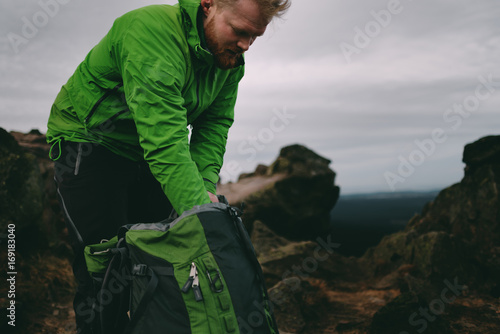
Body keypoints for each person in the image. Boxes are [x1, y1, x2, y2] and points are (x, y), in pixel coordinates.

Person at [46, 0, 290, 332]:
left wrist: (204, 187)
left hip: (147, 150)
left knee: (165, 255)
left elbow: (213, 124)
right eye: (240, 31)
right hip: (89, 144)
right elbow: (164, 140)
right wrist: (201, 216)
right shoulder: (151, 32)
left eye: (255, 36)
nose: (246, 45)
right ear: (208, 5)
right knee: (106, 266)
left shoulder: (230, 60)